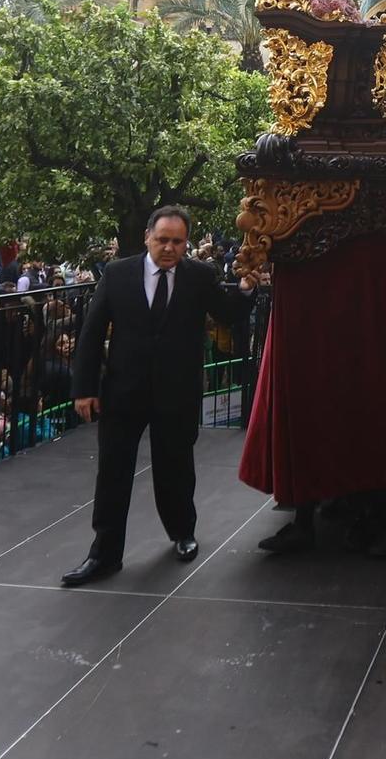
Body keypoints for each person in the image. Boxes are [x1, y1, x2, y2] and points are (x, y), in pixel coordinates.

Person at [61, 206, 254, 586]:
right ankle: (104, 554)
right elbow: (92, 332)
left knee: (177, 467)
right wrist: (84, 389)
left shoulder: (200, 275)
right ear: (147, 236)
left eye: (177, 241)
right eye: (162, 239)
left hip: (176, 391)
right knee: (113, 474)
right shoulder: (118, 274)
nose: (169, 248)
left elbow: (227, 312)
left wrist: (248, 290)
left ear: (186, 244)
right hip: (122, 391)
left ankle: (182, 532)